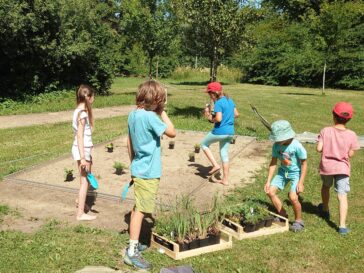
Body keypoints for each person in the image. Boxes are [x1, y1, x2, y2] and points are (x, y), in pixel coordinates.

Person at [124, 80, 176, 270]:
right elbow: (172, 132)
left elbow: (128, 143)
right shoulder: (152, 117)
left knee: (138, 206)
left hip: (138, 168)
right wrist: (162, 112)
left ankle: (134, 243)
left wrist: (133, 165)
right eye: (160, 100)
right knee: (141, 211)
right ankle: (132, 251)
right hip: (149, 172)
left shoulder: (133, 115)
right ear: (156, 100)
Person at [316, 102, 360, 235]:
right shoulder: (352, 134)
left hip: (327, 167)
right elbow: (351, 154)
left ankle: (325, 209)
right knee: (342, 196)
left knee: (325, 186)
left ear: (333, 115)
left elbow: (319, 148)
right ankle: (342, 226)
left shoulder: (325, 131)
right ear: (349, 119)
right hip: (342, 168)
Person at [264, 120, 307, 232]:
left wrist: (301, 182)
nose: (277, 141)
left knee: (293, 197)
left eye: (279, 138)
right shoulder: (276, 146)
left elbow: (304, 163)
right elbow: (273, 163)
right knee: (270, 192)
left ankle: (298, 221)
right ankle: (283, 215)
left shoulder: (297, 146)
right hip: (283, 172)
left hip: (295, 174)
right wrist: (268, 181)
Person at [201, 82, 239, 185]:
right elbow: (236, 114)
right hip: (230, 132)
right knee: (224, 153)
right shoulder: (230, 100)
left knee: (204, 144)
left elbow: (218, 118)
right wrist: (227, 117)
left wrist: (208, 116)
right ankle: (225, 180)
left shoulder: (218, 103)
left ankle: (215, 165)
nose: (209, 96)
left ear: (213, 93)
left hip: (220, 131)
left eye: (209, 94)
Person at [72, 84, 97, 221]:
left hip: (83, 149)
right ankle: (80, 214)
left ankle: (79, 201)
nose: (93, 99)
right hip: (83, 150)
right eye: (92, 97)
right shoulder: (82, 113)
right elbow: (80, 136)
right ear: (88, 97)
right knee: (84, 182)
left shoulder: (78, 111)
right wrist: (83, 158)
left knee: (86, 179)